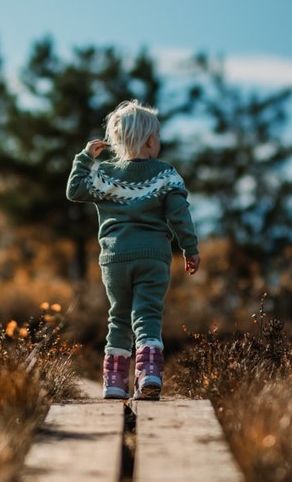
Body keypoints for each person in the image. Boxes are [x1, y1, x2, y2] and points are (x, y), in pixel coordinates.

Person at [66, 99, 200, 400]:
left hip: (114, 259)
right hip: (153, 256)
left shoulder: (104, 174)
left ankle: (114, 382)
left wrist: (85, 157)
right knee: (147, 314)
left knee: (119, 317)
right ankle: (148, 373)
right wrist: (189, 248)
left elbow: (74, 190)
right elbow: (179, 214)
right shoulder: (165, 174)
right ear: (151, 141)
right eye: (158, 136)